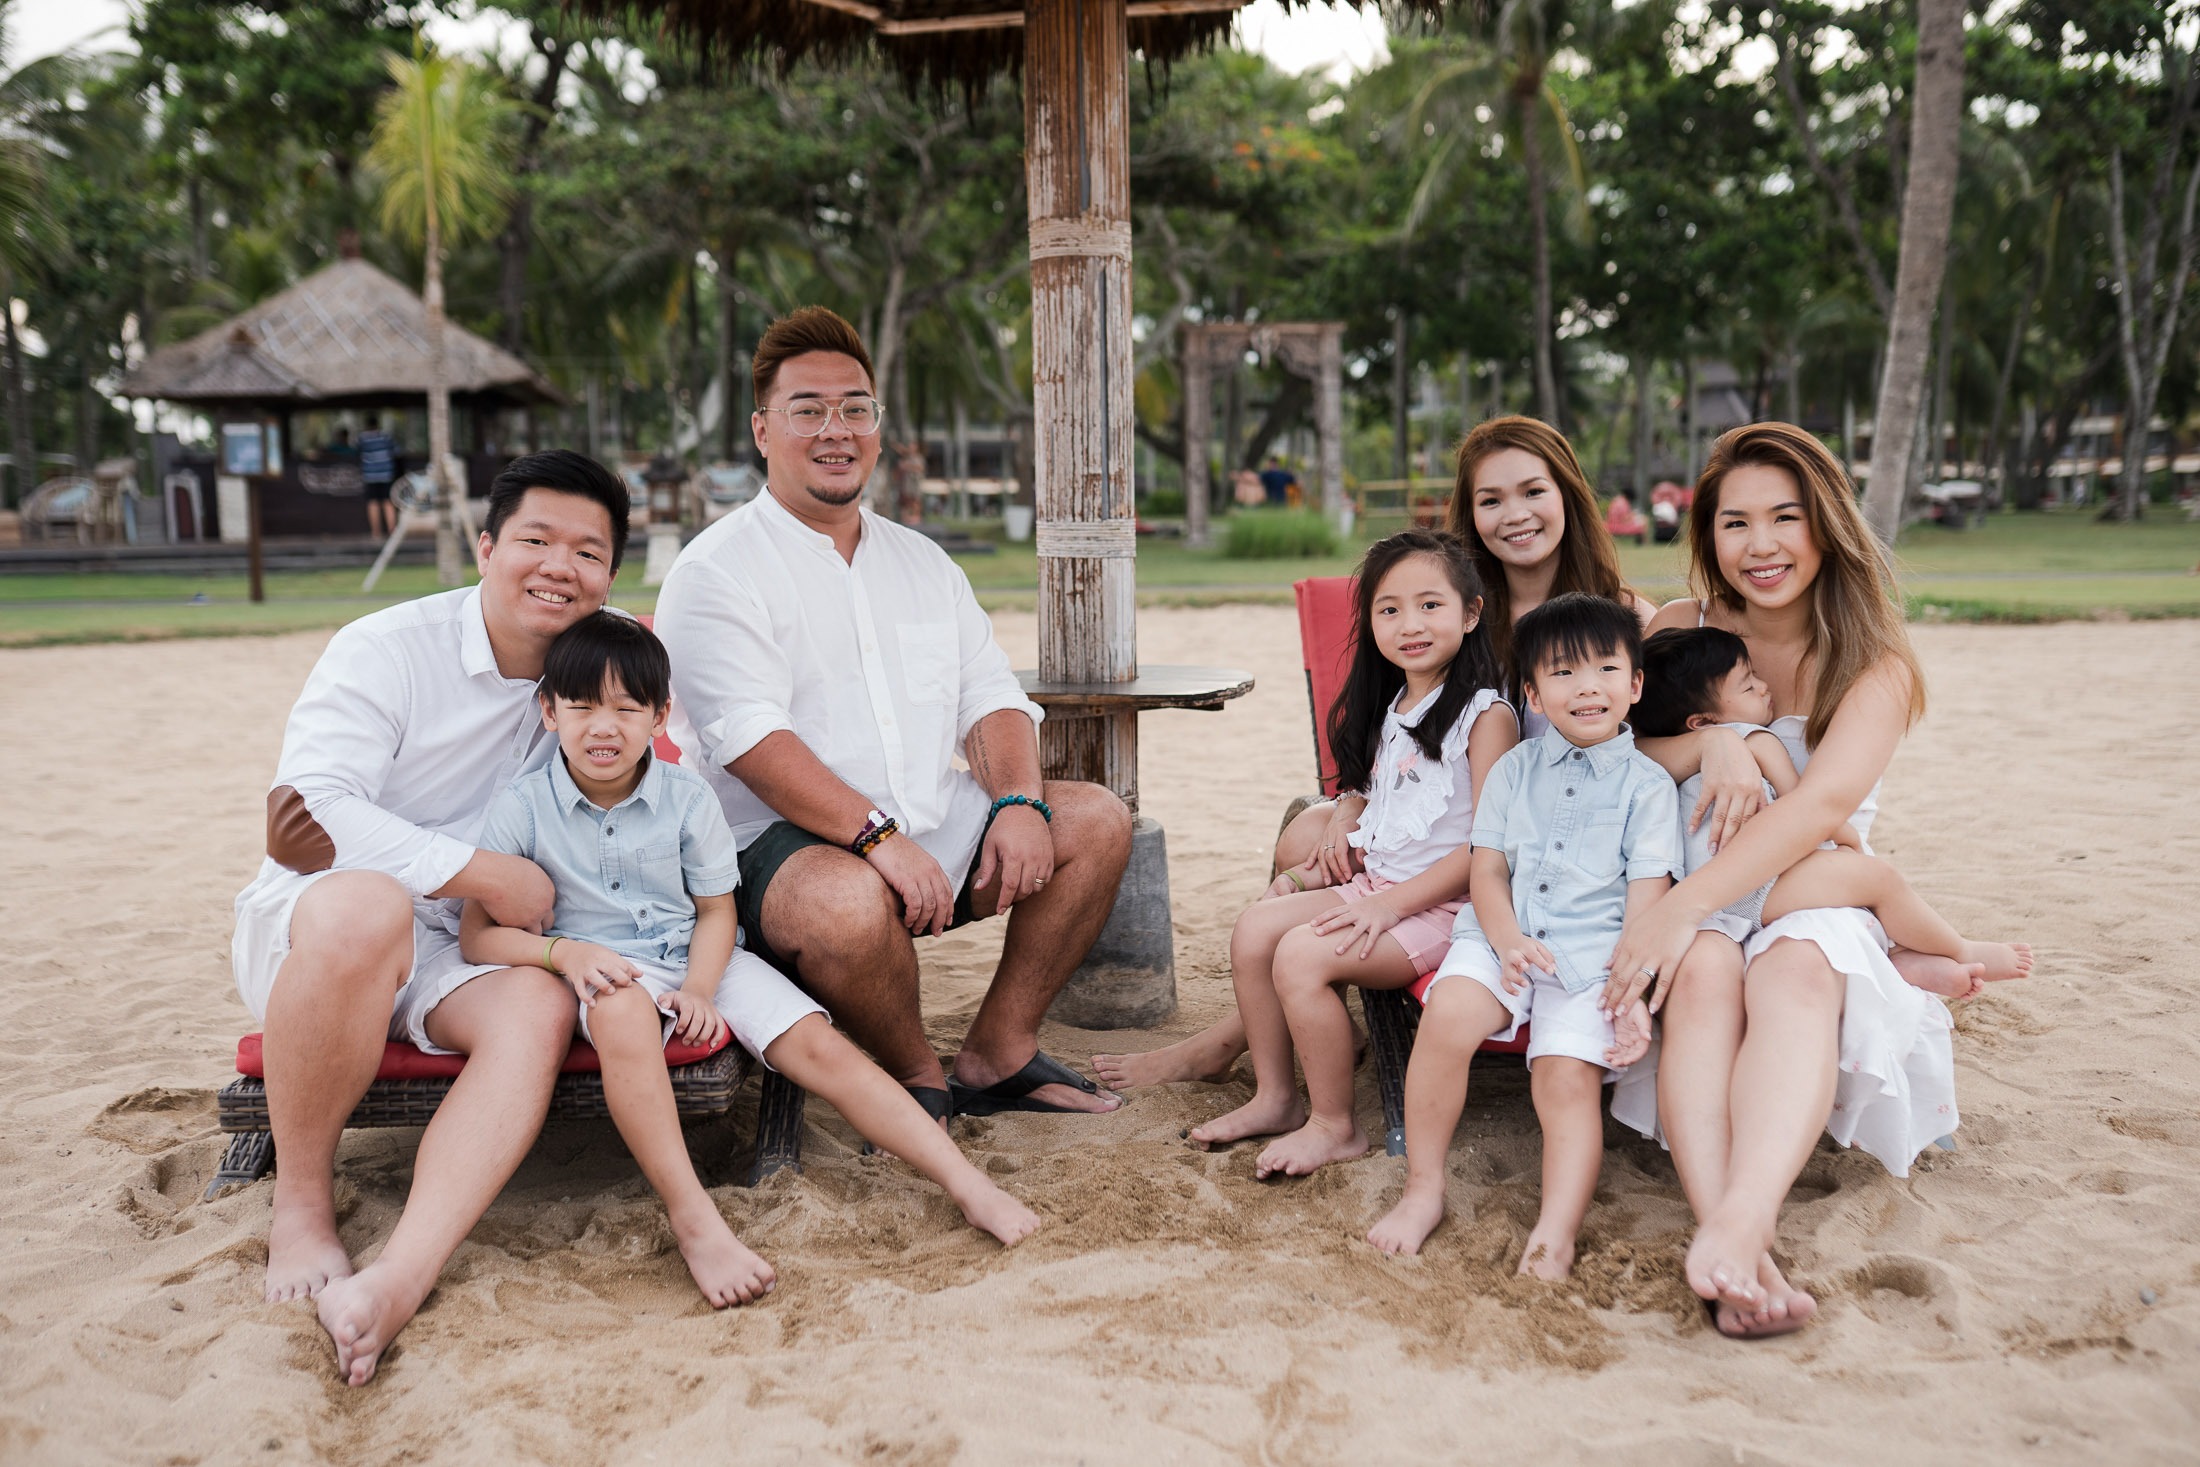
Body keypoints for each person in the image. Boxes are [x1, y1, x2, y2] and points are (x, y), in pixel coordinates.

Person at [459, 613, 1038, 1311]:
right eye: (581, 705)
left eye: (626, 707)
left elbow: (714, 911)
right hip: (602, 965)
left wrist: (702, 988)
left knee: (822, 1048)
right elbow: (478, 937)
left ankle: (968, 1184)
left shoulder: (685, 798)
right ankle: (694, 1216)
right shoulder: (521, 807)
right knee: (620, 1014)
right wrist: (565, 952)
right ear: (549, 710)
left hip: (702, 954)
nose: (602, 727)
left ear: (661, 715)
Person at [653, 306, 1133, 1122]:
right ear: (763, 430)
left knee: (1093, 819)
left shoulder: (922, 561)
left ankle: (997, 1052)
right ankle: (917, 1074)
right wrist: (878, 837)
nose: (835, 429)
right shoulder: (716, 571)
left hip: (922, 823)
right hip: (772, 852)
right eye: (808, 409)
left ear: (877, 425)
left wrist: (1018, 803)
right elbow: (751, 741)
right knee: (843, 902)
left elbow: (991, 697)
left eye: (856, 408)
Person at [1095, 416, 1651, 1091]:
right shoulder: (1447, 610)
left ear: (1568, 494)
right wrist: (1349, 803)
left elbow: (1646, 752)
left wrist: (1726, 747)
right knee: (1307, 831)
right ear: (1470, 515)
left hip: (1535, 844)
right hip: (1450, 822)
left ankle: (1233, 1035)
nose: (1515, 515)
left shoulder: (1617, 621)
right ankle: (1297, 1016)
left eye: (1533, 491)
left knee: (1317, 870)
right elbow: (1397, 733)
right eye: (1490, 500)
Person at [230, 450, 629, 1385]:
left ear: (612, 572)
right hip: (324, 926)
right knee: (369, 908)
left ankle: (401, 1276)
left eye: (588, 550)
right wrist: (474, 866)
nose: (558, 566)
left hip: (469, 943)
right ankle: (301, 1206)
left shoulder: (599, 668)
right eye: (535, 539)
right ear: (486, 546)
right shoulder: (387, 645)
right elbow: (312, 808)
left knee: (535, 1006)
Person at [1600, 423, 1968, 1340]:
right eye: (1735, 522)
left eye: (1784, 517)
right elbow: (1611, 746)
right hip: (1695, 871)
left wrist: (1681, 910)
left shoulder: (1869, 664)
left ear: (1826, 526)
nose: (1759, 545)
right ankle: (1732, 1242)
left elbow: (1817, 809)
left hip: (1812, 880)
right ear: (1709, 534)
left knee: (1794, 969)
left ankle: (1742, 1220)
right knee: (1709, 977)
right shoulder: (1680, 633)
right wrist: (1720, 736)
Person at [1184, 530, 1515, 1177]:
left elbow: (1488, 846)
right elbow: (1388, 819)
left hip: (1450, 910)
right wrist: (1311, 872)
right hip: (1381, 889)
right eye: (1389, 609)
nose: (1409, 624)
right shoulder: (1396, 702)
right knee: (1255, 927)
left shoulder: (1485, 714)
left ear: (1471, 613)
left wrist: (1389, 905)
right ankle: (1277, 1096)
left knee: (1301, 955)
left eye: (1429, 605)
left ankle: (1334, 1123)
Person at [1367, 594, 1679, 1265]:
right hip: (1499, 936)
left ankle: (1556, 1229)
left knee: (1564, 1076)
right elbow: (1487, 871)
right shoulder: (1513, 769)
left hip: (1594, 957)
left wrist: (1633, 994)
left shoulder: (1649, 788)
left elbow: (1648, 902)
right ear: (1534, 692)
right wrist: (1506, 939)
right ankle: (1424, 1187)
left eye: (1604, 668)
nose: (1587, 686)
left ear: (1635, 684)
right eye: (1563, 673)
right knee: (1448, 1015)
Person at [1632, 626, 2032, 1000]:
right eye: (1749, 685)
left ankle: (1902, 959)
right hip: (1747, 885)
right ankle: (1959, 948)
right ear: (1703, 721)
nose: (1764, 686)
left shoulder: (1679, 755)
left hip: (1700, 880)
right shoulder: (1756, 741)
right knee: (1878, 879)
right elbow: (1800, 804)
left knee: (1849, 892)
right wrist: (1847, 839)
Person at [359, 414, 400, 539]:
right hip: (386, 474)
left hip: (370, 475)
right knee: (388, 502)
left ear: (366, 425)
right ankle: (392, 532)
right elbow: (397, 451)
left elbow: (355, 451)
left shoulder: (362, 438)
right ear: (377, 424)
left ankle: (376, 533)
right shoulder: (386, 437)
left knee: (373, 503)